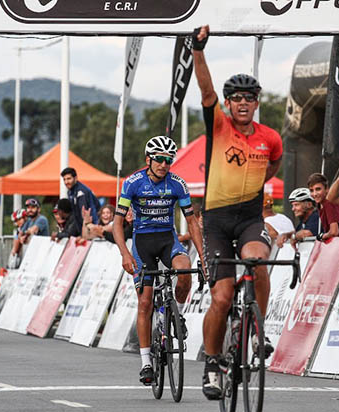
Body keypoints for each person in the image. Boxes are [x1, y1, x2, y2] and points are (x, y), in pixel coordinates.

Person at [192, 25, 283, 400]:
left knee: (258, 262)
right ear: (229, 104)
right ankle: (213, 363)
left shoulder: (270, 137)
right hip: (216, 220)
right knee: (222, 297)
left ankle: (258, 330)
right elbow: (207, 91)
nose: (243, 103)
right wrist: (198, 51)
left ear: (257, 102)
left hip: (248, 218)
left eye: (249, 98)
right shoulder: (219, 125)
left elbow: (272, 169)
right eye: (237, 99)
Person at [113, 135, 205, 386]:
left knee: (184, 271)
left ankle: (175, 314)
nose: (165, 164)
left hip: (168, 239)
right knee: (145, 302)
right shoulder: (133, 183)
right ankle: (145, 363)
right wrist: (125, 253)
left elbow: (192, 222)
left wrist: (203, 257)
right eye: (160, 159)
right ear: (148, 160)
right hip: (142, 243)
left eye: (169, 160)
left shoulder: (178, 184)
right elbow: (117, 223)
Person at [308, 173, 339, 242]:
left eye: (318, 189)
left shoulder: (329, 203)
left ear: (327, 189)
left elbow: (334, 231)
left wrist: (322, 236)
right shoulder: (320, 204)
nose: (315, 194)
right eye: (311, 190)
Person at [61, 167, 101, 233]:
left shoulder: (81, 192)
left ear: (75, 178)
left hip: (92, 227)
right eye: (64, 179)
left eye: (69, 179)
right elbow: (75, 215)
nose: (66, 182)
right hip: (83, 227)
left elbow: (84, 214)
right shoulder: (70, 192)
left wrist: (83, 234)